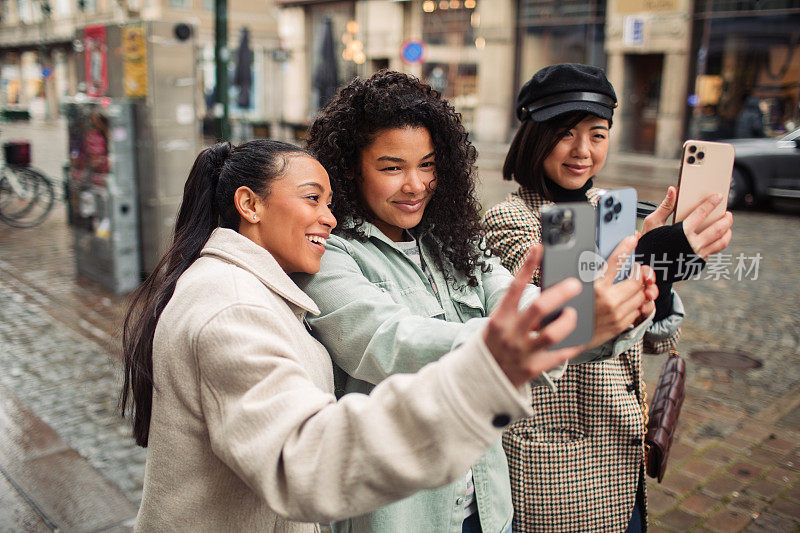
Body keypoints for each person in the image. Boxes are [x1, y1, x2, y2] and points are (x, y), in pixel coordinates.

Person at [120, 139, 586, 531]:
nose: (328, 217)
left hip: (482, 503)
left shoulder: (257, 285)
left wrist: (607, 304)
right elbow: (306, 458)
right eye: (311, 199)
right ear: (250, 204)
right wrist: (495, 362)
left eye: (427, 165)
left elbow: (544, 310)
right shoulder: (237, 304)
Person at [297, 71, 658, 533]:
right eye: (392, 168)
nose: (414, 185)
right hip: (405, 513)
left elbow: (525, 303)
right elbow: (385, 341)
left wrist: (625, 306)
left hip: (488, 507)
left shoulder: (452, 241)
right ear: (350, 167)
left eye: (427, 165)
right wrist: (550, 329)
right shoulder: (332, 253)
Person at [483, 63, 734, 531]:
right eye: (565, 134)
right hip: (557, 465)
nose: (583, 151)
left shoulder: (610, 209)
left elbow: (654, 335)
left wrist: (664, 264)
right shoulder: (509, 219)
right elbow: (571, 313)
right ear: (534, 137)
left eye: (597, 135)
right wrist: (655, 251)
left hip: (623, 447)